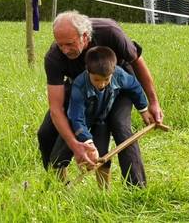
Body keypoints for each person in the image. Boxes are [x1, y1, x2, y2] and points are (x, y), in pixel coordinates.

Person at [37, 10, 163, 187]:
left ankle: (136, 187)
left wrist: (152, 103)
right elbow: (56, 109)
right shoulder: (54, 57)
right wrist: (75, 144)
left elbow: (137, 62)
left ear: (85, 37)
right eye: (60, 44)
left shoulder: (110, 32)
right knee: (46, 133)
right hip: (80, 90)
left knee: (120, 126)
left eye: (70, 44)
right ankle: (57, 185)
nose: (64, 50)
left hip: (118, 84)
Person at [61, 46, 151, 189]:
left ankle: (104, 191)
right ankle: (60, 185)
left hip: (102, 119)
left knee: (102, 154)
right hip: (86, 120)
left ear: (113, 72)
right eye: (96, 79)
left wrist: (144, 110)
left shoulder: (119, 75)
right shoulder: (79, 85)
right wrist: (87, 141)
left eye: (106, 79)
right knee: (64, 152)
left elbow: (134, 87)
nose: (101, 84)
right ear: (88, 71)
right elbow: (76, 117)